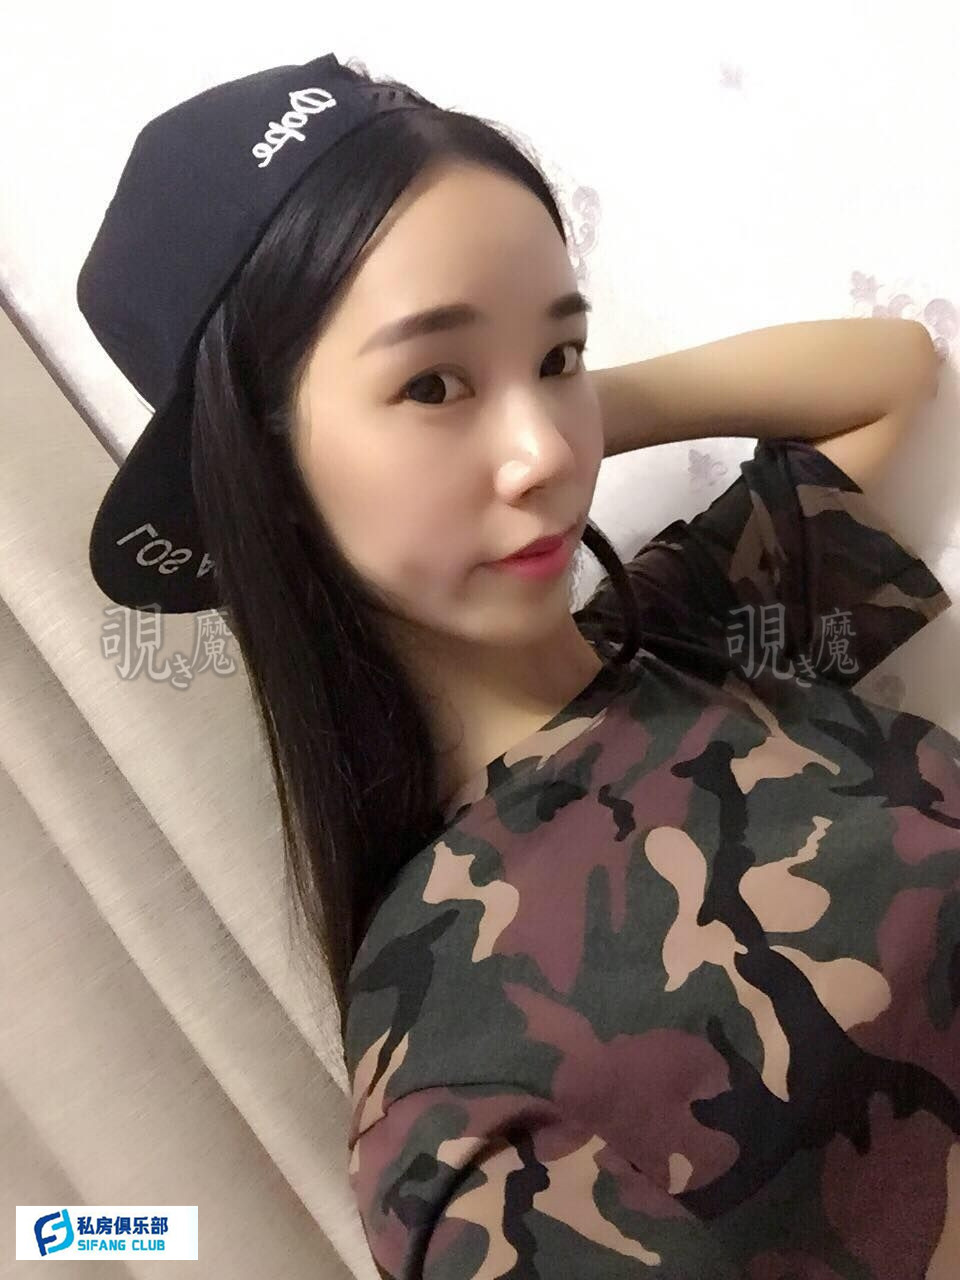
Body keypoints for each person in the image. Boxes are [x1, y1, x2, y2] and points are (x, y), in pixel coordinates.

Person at [77, 54, 960, 1279]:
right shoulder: (458, 1103)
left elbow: (895, 377)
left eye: (561, 351)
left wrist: (556, 409)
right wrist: (534, 403)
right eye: (430, 382)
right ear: (261, 475)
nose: (541, 449)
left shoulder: (692, 628)